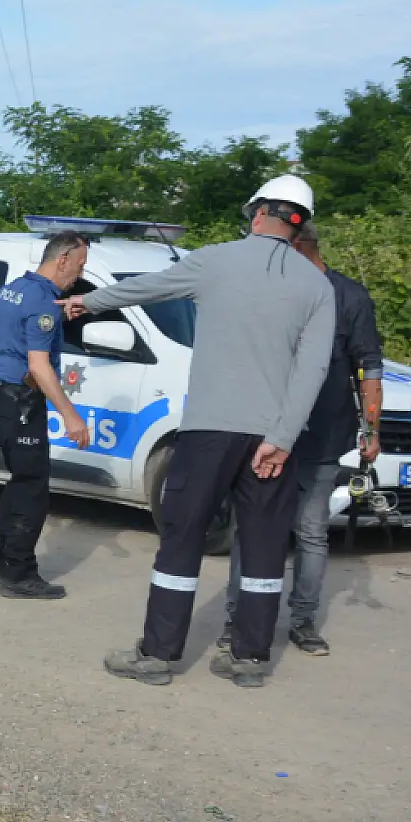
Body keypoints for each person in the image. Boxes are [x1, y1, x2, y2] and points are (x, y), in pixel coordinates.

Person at [65, 175, 336, 689]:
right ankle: (251, 660)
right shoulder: (316, 286)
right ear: (301, 225)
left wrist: (88, 303)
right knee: (261, 547)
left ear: (256, 212)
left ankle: (159, 655)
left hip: (208, 431)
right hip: (272, 441)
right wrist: (281, 438)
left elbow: (147, 288)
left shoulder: (215, 260)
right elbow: (313, 370)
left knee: (182, 539)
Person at [219, 222, 383, 657]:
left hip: (323, 437)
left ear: (299, 246)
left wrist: (371, 428)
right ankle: (238, 617)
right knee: (252, 528)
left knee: (310, 531)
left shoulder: (349, 297)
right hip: (266, 430)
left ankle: (304, 621)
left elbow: (370, 368)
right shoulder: (276, 291)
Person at [0, 231, 93, 599]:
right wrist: (71, 415)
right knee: (33, 486)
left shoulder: (13, 289)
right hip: (20, 402)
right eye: (79, 265)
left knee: (23, 477)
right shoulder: (43, 302)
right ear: (62, 260)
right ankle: (18, 572)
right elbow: (40, 367)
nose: (79, 274)